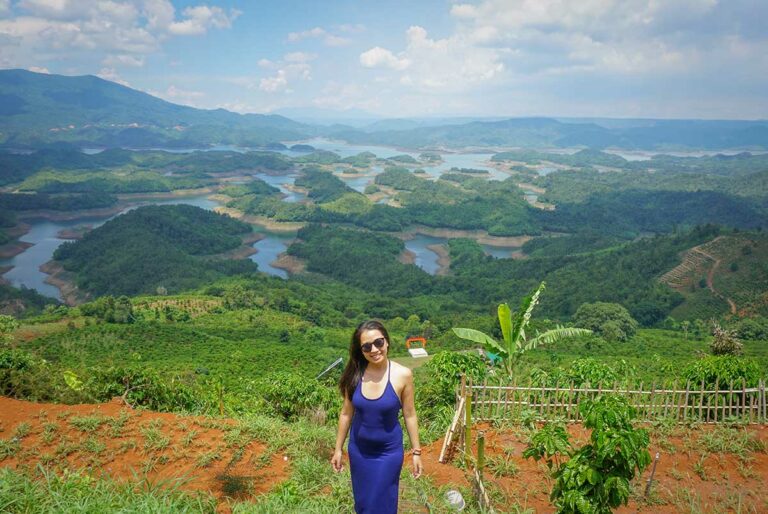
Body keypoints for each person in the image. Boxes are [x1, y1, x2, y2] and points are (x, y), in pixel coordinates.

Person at [331, 320, 423, 514]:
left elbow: (410, 414)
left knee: (382, 505)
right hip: (359, 452)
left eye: (378, 343)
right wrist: (338, 449)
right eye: (366, 346)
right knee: (363, 505)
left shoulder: (403, 375)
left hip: (387, 453)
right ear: (361, 350)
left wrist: (416, 452)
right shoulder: (355, 374)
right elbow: (346, 414)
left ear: (387, 342)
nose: (374, 349)